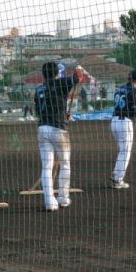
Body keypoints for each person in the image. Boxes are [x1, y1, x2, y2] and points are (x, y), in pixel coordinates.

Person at [34, 61, 84, 211]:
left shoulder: (38, 89)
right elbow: (78, 78)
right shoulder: (62, 83)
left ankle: (49, 203)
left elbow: (39, 111)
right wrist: (79, 68)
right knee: (65, 163)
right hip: (58, 129)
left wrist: (64, 113)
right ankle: (63, 198)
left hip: (42, 129)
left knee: (46, 167)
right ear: (57, 73)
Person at [110, 69, 136, 189]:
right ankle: (117, 179)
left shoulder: (120, 89)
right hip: (124, 123)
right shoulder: (135, 90)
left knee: (122, 151)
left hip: (114, 122)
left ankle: (116, 176)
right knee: (125, 152)